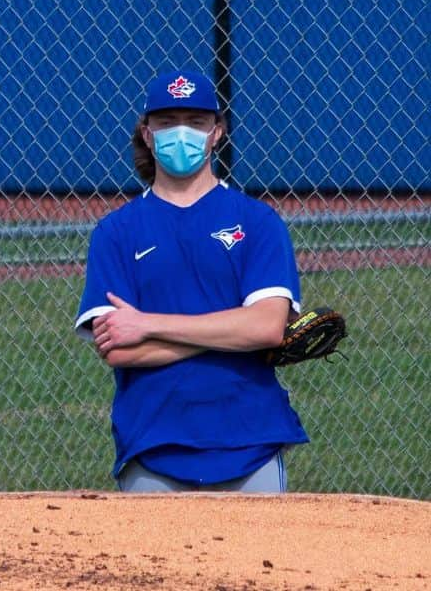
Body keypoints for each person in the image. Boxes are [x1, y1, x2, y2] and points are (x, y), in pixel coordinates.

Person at [74, 68, 308, 492]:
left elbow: (268, 327)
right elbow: (120, 351)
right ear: (146, 133)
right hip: (154, 446)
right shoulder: (116, 232)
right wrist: (232, 331)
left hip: (250, 441)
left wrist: (148, 324)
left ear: (216, 132)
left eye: (196, 122)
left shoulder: (257, 222)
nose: (180, 133)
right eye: (166, 122)